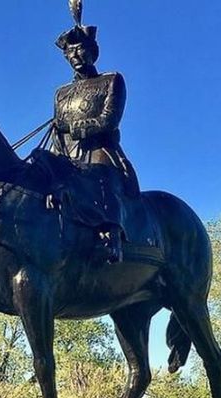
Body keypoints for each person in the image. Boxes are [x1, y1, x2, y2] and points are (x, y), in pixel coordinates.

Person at [50, 22, 140, 263]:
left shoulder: (111, 81)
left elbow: (108, 121)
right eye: (70, 52)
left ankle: (113, 237)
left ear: (92, 51)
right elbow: (58, 129)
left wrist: (73, 128)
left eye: (80, 49)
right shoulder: (61, 93)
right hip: (68, 155)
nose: (75, 56)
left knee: (102, 177)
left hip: (101, 151)